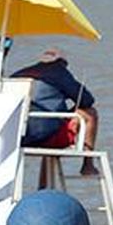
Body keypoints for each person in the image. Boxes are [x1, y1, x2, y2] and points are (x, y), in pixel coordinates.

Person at [10, 48, 101, 181]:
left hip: (16, 137)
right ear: (62, 62)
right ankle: (87, 165)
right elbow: (87, 100)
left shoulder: (19, 74)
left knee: (48, 123)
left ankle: (43, 187)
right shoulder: (59, 72)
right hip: (46, 136)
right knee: (89, 113)